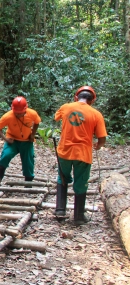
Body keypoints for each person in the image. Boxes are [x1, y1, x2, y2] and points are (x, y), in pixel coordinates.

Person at [53, 86, 106, 225]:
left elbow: (56, 117)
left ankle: (60, 210)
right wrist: (98, 145)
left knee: (62, 177)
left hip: (65, 150)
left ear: (76, 97)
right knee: (81, 182)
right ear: (92, 100)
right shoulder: (96, 114)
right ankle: (78, 215)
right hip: (83, 153)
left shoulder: (66, 107)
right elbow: (102, 138)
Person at [0, 96, 41, 185]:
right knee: (5, 156)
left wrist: (33, 134)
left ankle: (28, 181)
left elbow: (37, 122)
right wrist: (5, 139)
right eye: (17, 113)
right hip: (13, 141)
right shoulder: (8, 116)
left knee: (28, 160)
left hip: (27, 141)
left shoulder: (32, 113)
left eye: (21, 113)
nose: (19, 115)